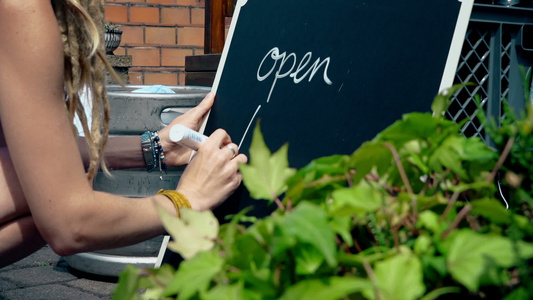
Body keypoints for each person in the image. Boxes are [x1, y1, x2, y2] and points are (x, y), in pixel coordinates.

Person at [0, 0, 247, 268]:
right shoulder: (20, 7)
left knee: (42, 191)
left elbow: (30, 155)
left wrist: (155, 147)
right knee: (44, 192)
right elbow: (71, 223)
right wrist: (186, 201)